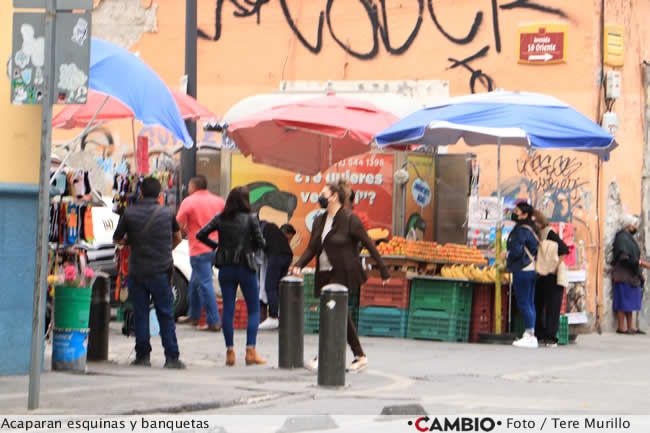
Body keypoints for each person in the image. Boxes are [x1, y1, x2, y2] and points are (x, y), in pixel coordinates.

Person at [292, 183, 390, 372]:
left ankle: (324, 356)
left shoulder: (350, 219)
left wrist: (383, 271)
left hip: (343, 271)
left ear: (334, 196)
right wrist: (298, 265)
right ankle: (359, 355)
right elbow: (312, 248)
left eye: (323, 193)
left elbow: (369, 244)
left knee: (332, 312)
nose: (319, 197)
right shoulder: (319, 220)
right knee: (339, 314)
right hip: (324, 272)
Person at [113, 177, 185, 369]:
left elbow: (117, 239)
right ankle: (172, 357)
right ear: (159, 194)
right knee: (166, 313)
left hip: (138, 270)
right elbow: (178, 237)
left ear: (141, 193)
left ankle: (143, 356)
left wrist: (131, 241)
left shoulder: (129, 213)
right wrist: (166, 249)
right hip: (161, 270)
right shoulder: (167, 213)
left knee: (141, 312)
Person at [197, 186, 267, 366]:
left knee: (228, 308)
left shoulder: (220, 218)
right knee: (253, 309)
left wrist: (216, 246)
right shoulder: (251, 218)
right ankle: (250, 351)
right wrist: (251, 248)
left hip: (226, 267)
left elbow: (201, 234)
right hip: (246, 266)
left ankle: (230, 352)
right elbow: (261, 243)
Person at [176, 176, 225, 331]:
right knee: (196, 281)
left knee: (205, 284)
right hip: (215, 248)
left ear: (193, 186)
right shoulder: (219, 201)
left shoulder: (189, 202)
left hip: (199, 249)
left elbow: (177, 224)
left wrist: (183, 231)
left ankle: (214, 321)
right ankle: (194, 315)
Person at [532, 211, 569, 347]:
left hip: (553, 275)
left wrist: (554, 266)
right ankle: (540, 333)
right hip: (543, 274)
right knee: (539, 303)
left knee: (552, 306)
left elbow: (564, 249)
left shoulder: (548, 233)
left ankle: (551, 336)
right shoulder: (537, 234)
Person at [506, 202, 540, 349]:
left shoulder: (521, 231)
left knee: (523, 302)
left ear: (525, 215)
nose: (514, 213)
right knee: (530, 302)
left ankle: (530, 334)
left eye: (517, 211)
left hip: (522, 269)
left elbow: (516, 251)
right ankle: (531, 333)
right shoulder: (532, 229)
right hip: (532, 269)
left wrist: (507, 253)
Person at [611, 214, 650, 335]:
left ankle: (630, 326)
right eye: (634, 224)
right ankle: (621, 327)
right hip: (623, 274)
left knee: (630, 302)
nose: (635, 227)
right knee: (623, 301)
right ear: (628, 225)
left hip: (632, 275)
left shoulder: (628, 238)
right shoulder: (621, 238)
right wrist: (641, 263)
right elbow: (624, 256)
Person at [259, 223, 296, 330]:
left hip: (276, 256)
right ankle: (281, 317)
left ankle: (273, 317)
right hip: (288, 256)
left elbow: (259, 244)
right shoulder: (271, 228)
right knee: (279, 287)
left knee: (270, 287)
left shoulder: (259, 229)